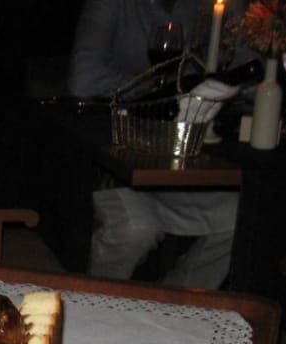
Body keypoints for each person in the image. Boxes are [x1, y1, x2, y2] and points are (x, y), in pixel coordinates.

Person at [67, 0, 247, 289]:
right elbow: (82, 78)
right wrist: (160, 90)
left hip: (183, 162)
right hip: (115, 162)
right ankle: (96, 303)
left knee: (242, 217)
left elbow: (249, 65)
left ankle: (176, 300)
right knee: (135, 229)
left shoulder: (213, 7)